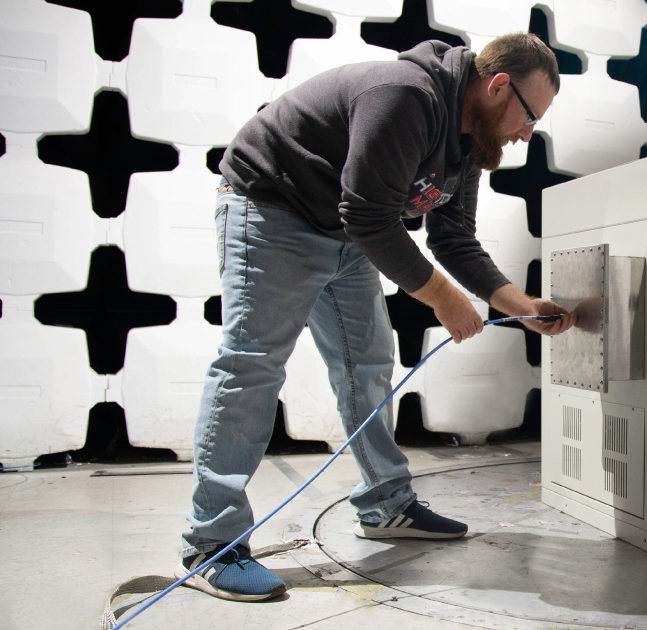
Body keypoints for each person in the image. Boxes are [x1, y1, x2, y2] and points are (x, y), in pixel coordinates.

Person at [178, 33, 576, 602]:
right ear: (496, 87)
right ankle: (211, 545)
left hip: (342, 228)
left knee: (366, 363)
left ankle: (386, 506)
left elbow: (454, 239)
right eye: (530, 115)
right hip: (271, 207)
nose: (526, 133)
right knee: (252, 366)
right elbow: (367, 214)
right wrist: (442, 298)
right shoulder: (405, 95)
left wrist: (521, 305)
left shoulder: (469, 145)